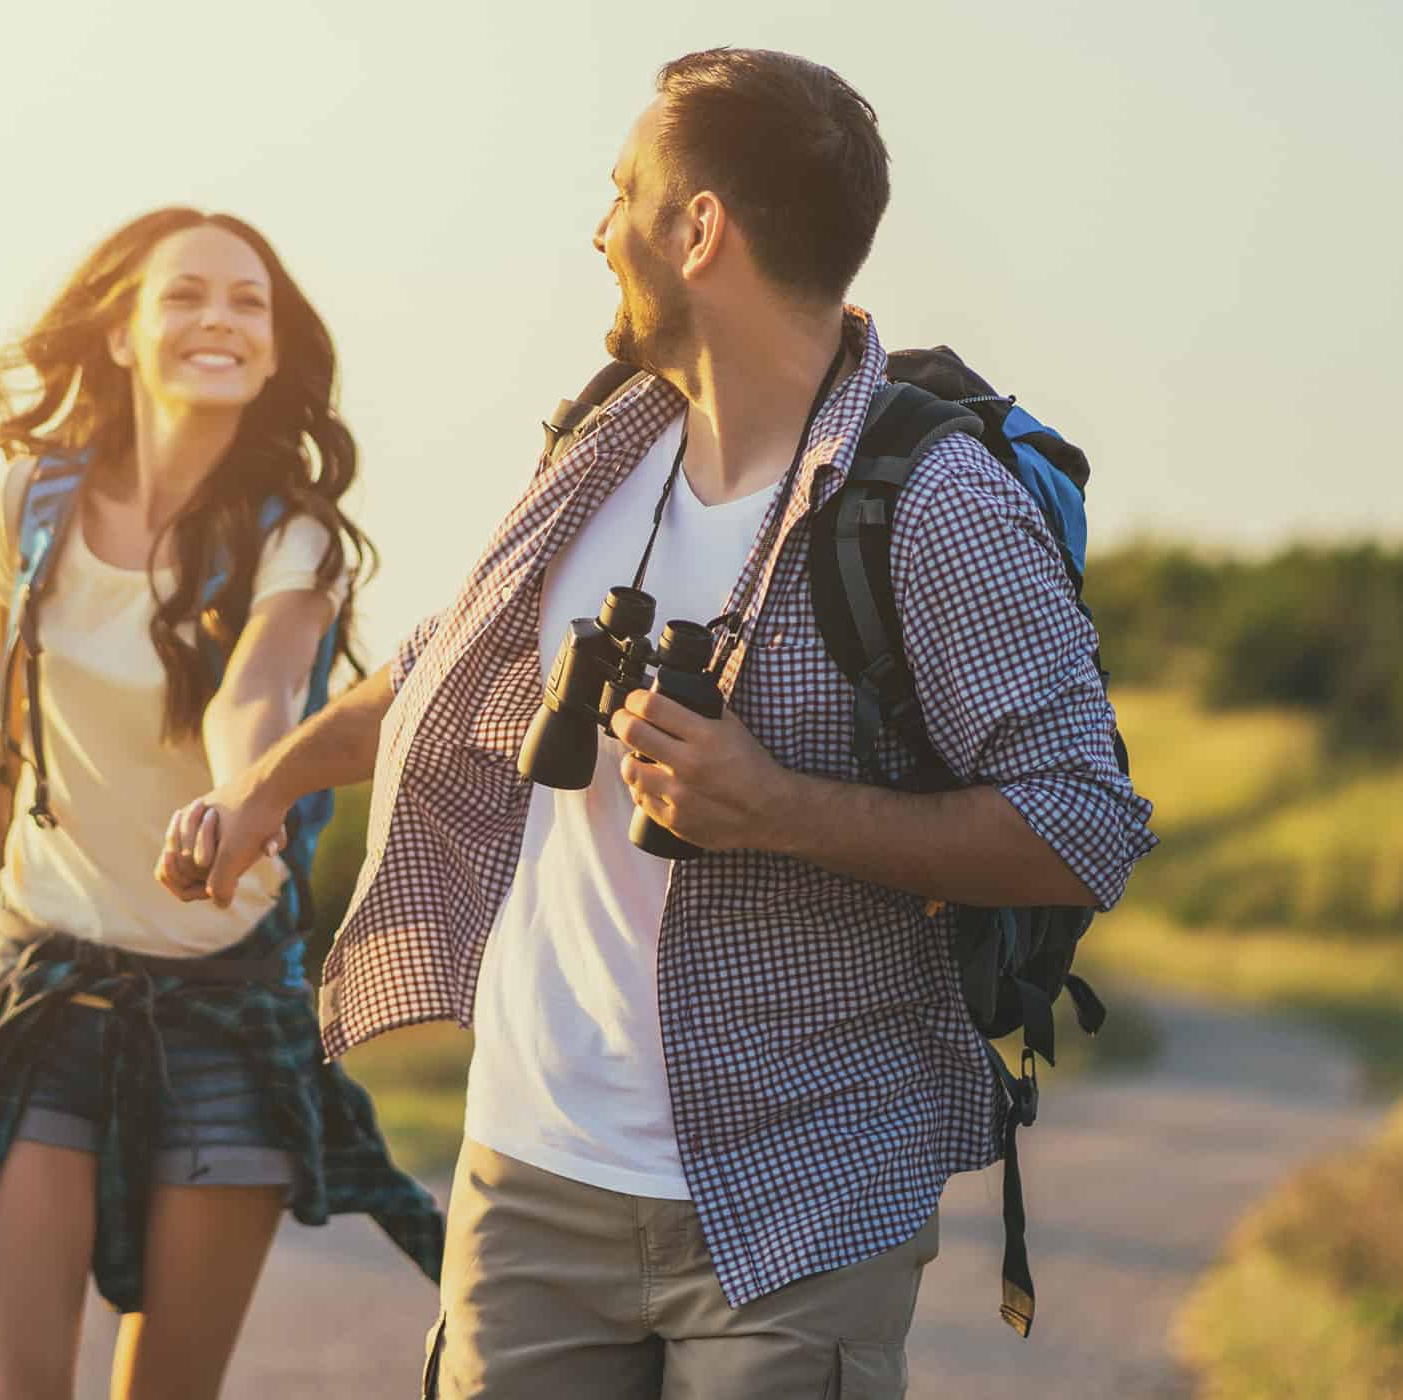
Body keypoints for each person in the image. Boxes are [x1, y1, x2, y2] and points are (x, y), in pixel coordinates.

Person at [158, 50, 1156, 1399]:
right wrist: (265, 788)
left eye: (623, 189)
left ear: (700, 230)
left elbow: (1081, 822)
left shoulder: (936, 505)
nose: (597, 227)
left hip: (800, 1188)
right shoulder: (600, 443)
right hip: (530, 1179)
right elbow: (442, 663)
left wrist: (775, 807)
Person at [0, 207, 441, 1400]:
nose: (218, 319)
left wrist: (245, 792)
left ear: (277, 352)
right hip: (42, 984)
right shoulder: (24, 506)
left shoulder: (297, 537)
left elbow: (262, 687)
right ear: (123, 333)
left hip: (225, 1001)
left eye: (248, 302)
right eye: (184, 295)